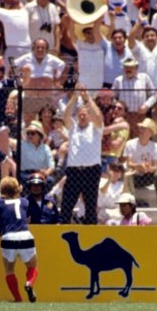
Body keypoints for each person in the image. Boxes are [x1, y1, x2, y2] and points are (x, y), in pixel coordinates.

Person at [60, 85, 103, 225]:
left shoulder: (96, 128)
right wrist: (75, 97)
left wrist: (87, 97)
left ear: (89, 116)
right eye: (80, 114)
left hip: (91, 171)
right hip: (74, 171)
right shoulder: (73, 128)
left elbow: (98, 117)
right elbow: (65, 116)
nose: (83, 116)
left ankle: (91, 235)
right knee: (66, 207)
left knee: (91, 207)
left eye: (85, 114)